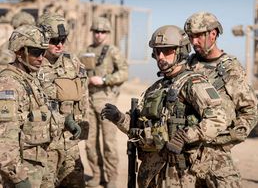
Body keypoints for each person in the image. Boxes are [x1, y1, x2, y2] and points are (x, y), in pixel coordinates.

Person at [101, 25, 242, 187]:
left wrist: (184, 136)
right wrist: (119, 118)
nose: (161, 56)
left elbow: (218, 118)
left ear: (181, 51)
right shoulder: (155, 88)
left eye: (167, 51)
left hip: (178, 174)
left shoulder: (193, 83)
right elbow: (139, 128)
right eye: (157, 51)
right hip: (151, 174)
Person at [184, 12, 258, 149]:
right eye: (190, 36)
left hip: (213, 155)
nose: (194, 42)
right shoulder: (187, 65)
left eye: (198, 35)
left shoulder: (230, 69)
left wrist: (223, 138)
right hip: (182, 151)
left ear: (213, 34)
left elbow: (250, 111)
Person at [37, 13, 88, 188]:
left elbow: (82, 96)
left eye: (63, 39)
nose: (60, 45)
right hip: (44, 145)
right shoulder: (32, 65)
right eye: (54, 40)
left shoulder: (72, 62)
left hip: (69, 142)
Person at [0, 24, 53, 188]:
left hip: (38, 164)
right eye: (36, 52)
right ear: (19, 52)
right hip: (22, 170)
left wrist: (64, 121)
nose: (41, 58)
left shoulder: (29, 78)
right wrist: (18, 178)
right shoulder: (9, 84)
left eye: (43, 52)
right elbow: (4, 140)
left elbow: (37, 115)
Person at [80, 16, 128, 188]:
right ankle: (96, 175)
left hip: (105, 101)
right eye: (96, 31)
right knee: (89, 142)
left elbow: (124, 72)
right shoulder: (86, 51)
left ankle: (112, 178)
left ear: (107, 33)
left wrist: (105, 79)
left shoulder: (112, 51)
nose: (99, 35)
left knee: (109, 142)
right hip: (89, 101)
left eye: (103, 32)